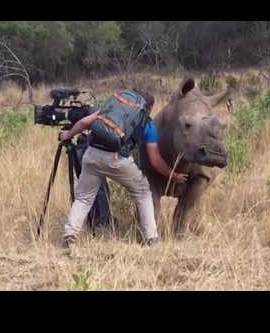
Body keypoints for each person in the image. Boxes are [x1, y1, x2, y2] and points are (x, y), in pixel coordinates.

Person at [59, 89, 188, 247]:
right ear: (150, 107)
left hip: (92, 154)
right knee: (142, 191)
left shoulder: (112, 110)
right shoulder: (147, 123)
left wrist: (67, 135)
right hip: (116, 160)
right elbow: (155, 161)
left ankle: (70, 236)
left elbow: (84, 122)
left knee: (84, 198)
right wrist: (173, 175)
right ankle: (151, 238)